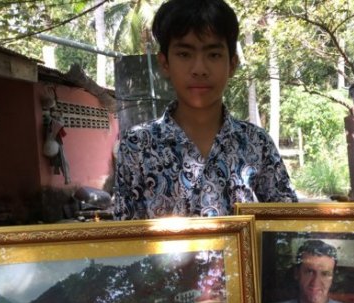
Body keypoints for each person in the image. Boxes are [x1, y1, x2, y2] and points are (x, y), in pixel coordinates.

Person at [113, 0, 297, 219]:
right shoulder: (136, 146)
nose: (199, 69)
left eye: (213, 55)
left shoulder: (257, 143)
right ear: (164, 63)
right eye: (184, 54)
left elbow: (288, 223)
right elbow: (125, 233)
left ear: (232, 64)